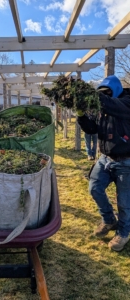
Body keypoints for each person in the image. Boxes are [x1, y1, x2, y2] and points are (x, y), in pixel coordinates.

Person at [77, 75, 130, 251]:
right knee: (94, 188)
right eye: (102, 93)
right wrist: (81, 114)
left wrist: (87, 93)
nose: (104, 96)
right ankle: (109, 219)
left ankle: (123, 233)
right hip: (105, 159)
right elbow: (92, 129)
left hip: (126, 162)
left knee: (124, 203)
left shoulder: (126, 102)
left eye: (107, 93)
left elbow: (114, 106)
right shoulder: (103, 109)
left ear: (115, 90)